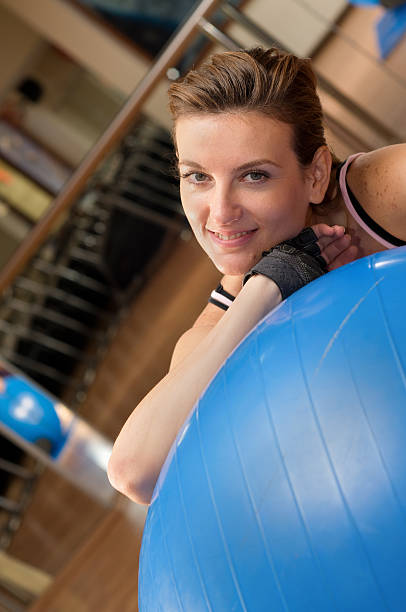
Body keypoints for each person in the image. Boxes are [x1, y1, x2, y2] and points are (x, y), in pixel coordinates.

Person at [107, 47, 406, 505]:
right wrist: (270, 285)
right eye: (197, 176)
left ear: (316, 174)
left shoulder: (385, 192)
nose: (221, 213)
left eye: (254, 176)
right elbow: (135, 473)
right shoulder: (220, 326)